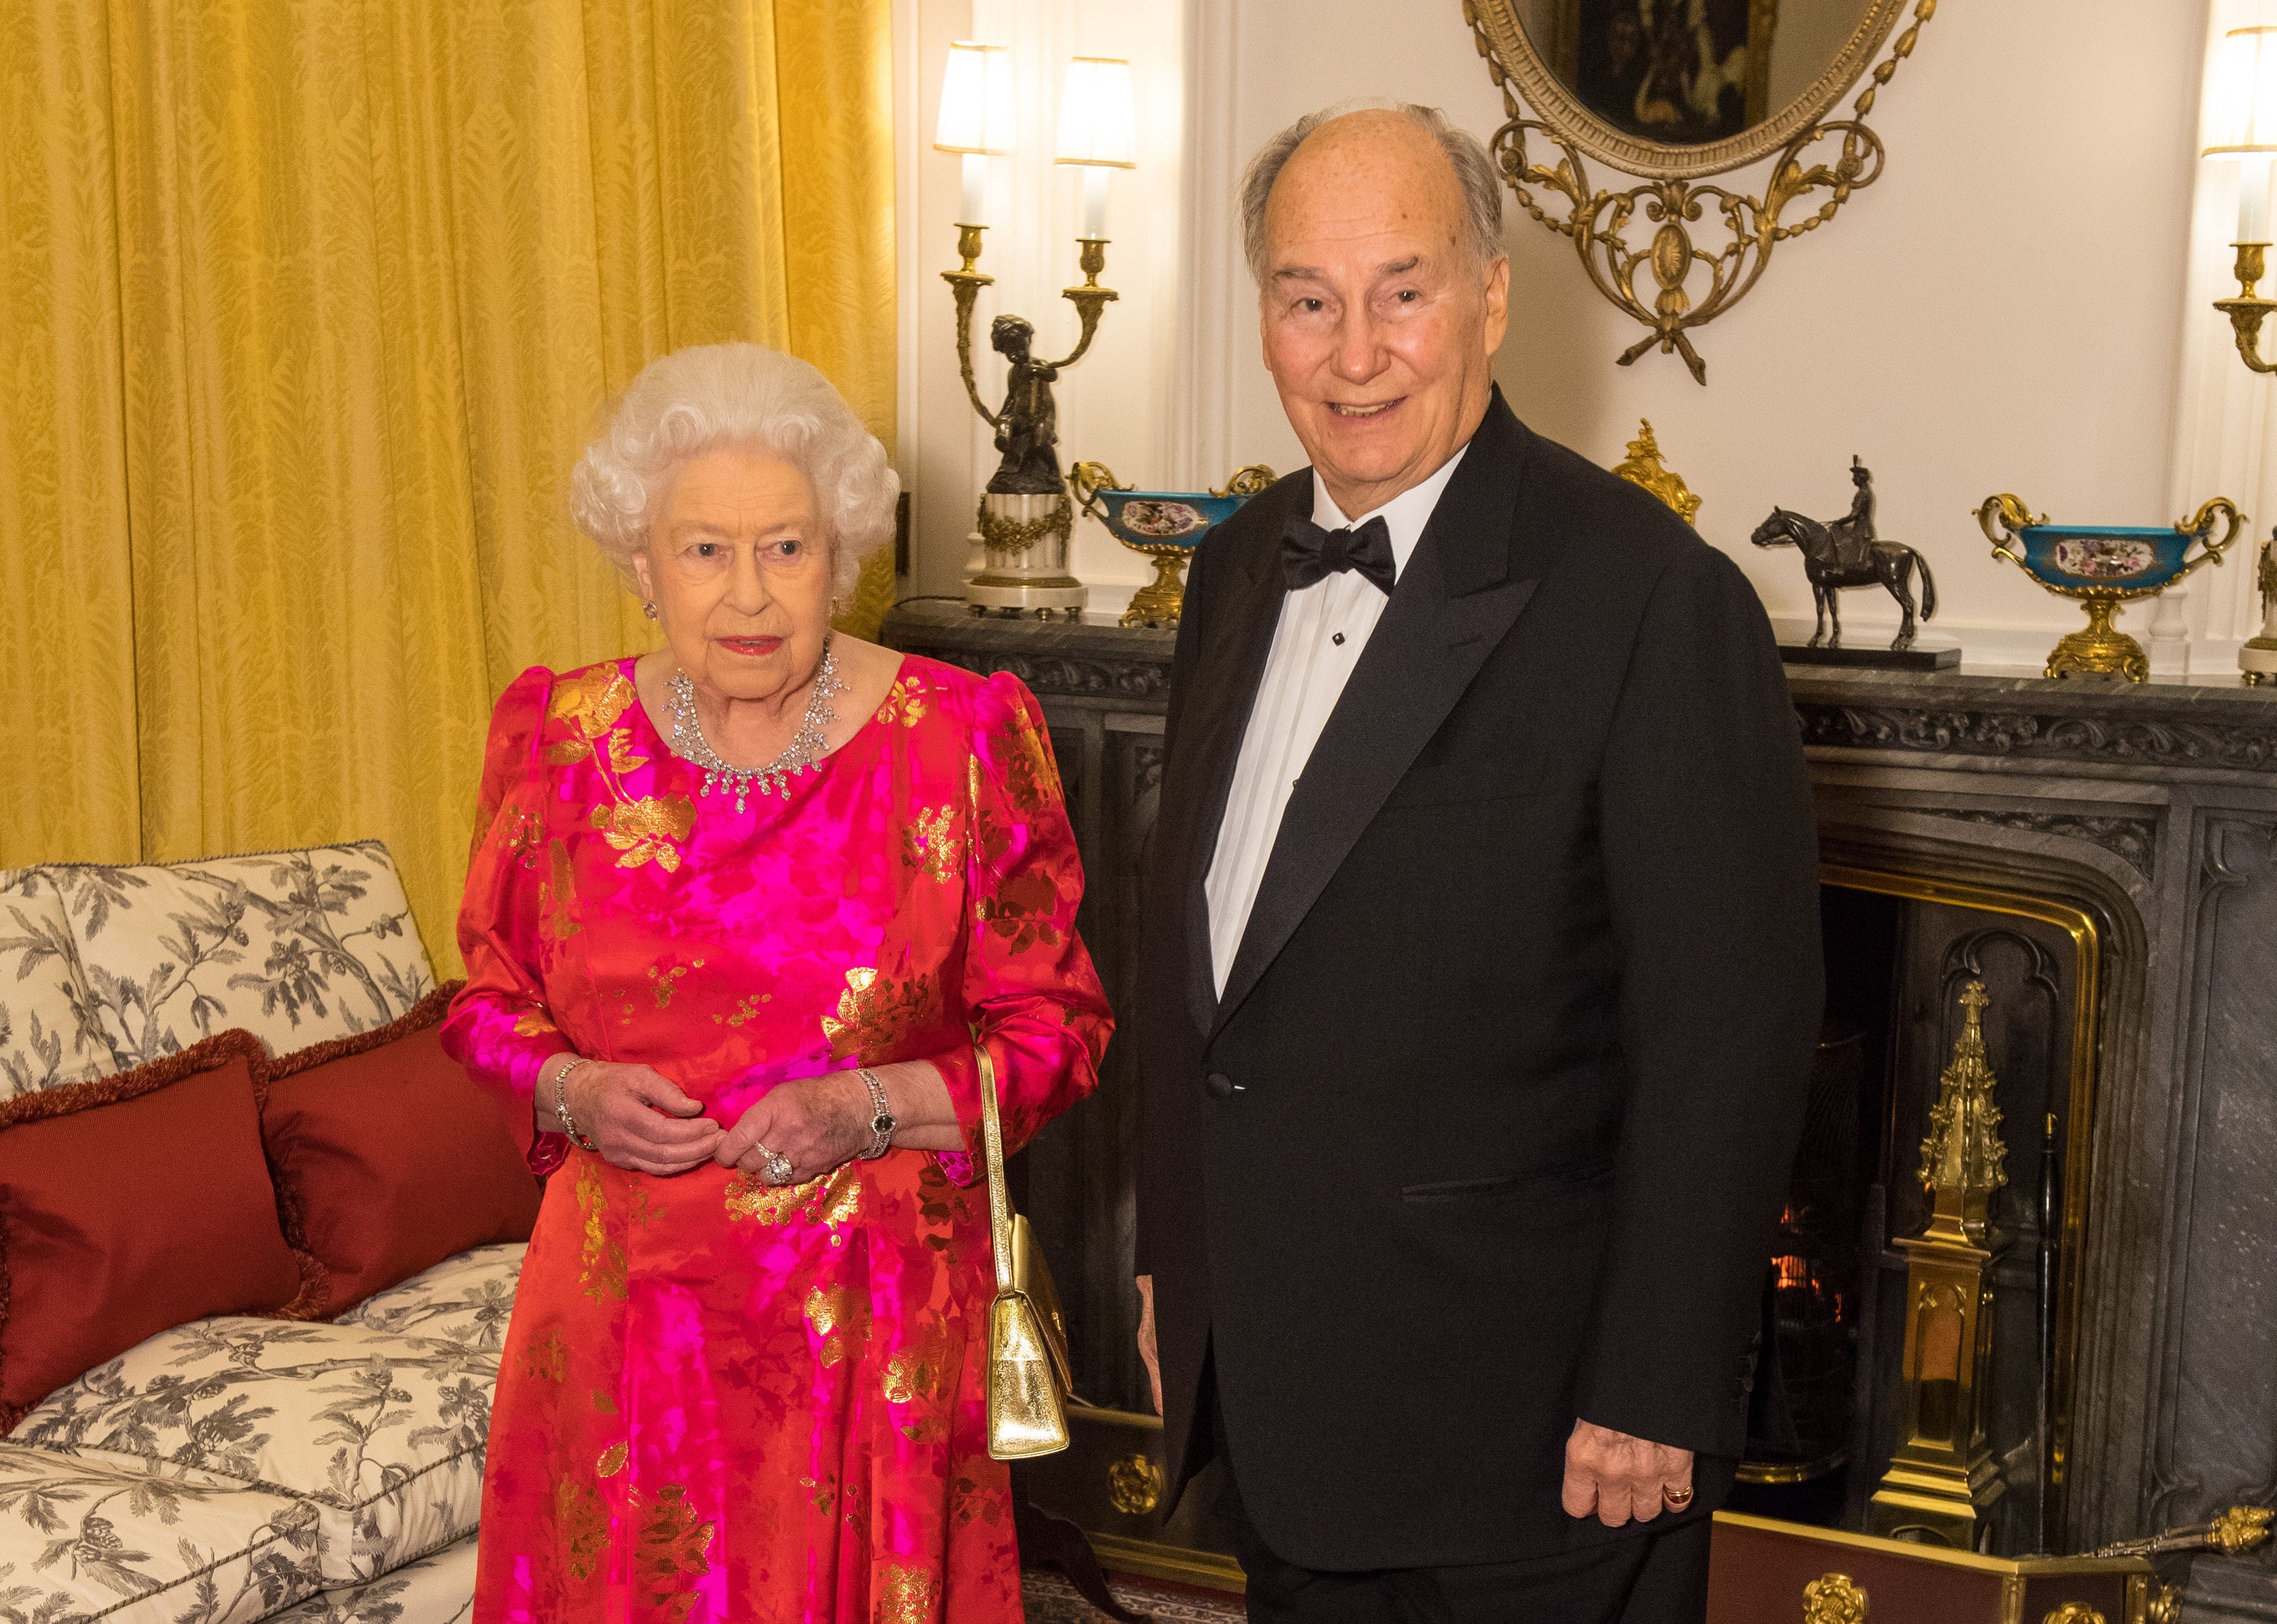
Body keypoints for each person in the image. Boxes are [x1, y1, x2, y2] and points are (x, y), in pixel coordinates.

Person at [1132, 104, 1822, 1623]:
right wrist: (1176, 1270)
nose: (1355, 353)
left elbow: (1729, 1029)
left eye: (1404, 290)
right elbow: (1210, 968)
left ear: (1490, 298)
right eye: (1309, 300)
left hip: (1534, 1447)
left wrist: (1657, 1384)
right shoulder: (1234, 563)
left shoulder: (1653, 596)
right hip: (1282, 1402)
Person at [443, 342, 1111, 1623]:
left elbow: (1058, 1033)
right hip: (622, 1331)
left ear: (839, 555)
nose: (747, 592)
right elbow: (485, 1006)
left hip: (869, 1331)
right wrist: (572, 1090)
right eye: (704, 550)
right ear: (643, 567)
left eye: (786, 548)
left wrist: (867, 1108)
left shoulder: (960, 738)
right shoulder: (557, 740)